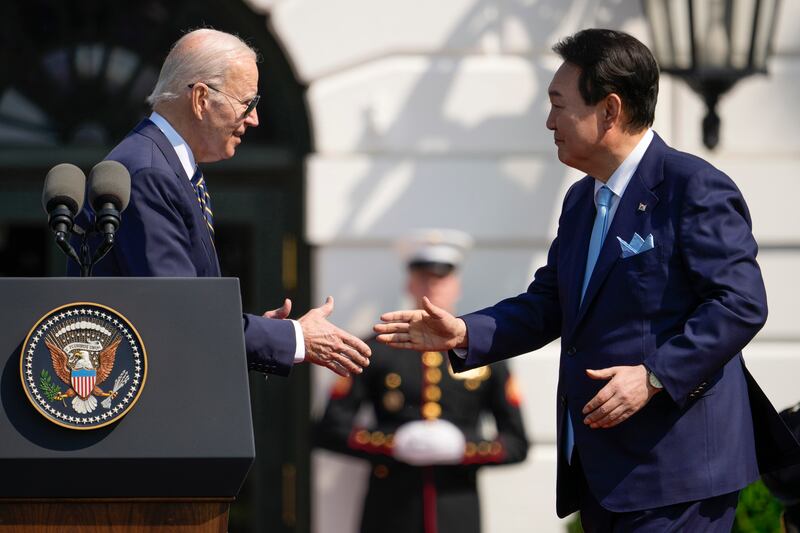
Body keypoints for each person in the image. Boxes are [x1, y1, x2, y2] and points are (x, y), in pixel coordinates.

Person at [375, 29, 799, 532]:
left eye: (559, 104)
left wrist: (654, 376)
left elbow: (739, 304)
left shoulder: (693, 186)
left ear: (610, 110)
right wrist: (466, 333)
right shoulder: (580, 202)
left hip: (679, 474)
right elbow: (550, 303)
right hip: (604, 474)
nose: (549, 121)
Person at [69, 28, 370, 377]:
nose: (254, 119)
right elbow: (177, 312)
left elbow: (182, 306)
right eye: (248, 103)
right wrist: (295, 337)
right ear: (200, 99)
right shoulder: (150, 172)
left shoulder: (163, 163)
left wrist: (254, 330)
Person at [316, 229, 529, 533]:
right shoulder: (375, 349)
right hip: (389, 509)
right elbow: (330, 428)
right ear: (410, 283)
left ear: (457, 285)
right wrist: (393, 444)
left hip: (457, 508)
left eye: (441, 278)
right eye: (424, 277)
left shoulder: (484, 350)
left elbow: (516, 442)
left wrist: (463, 448)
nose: (433, 286)